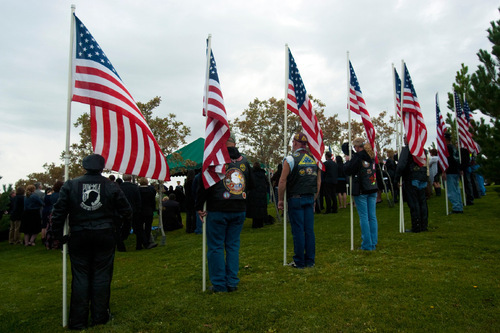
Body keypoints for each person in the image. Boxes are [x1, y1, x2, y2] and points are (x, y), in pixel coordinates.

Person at [51, 154, 132, 330]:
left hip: (80, 234)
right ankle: (99, 317)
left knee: (80, 275)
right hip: (103, 234)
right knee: (102, 275)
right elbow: (126, 211)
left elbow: (58, 212)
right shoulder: (111, 185)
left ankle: (78, 321)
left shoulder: (71, 185)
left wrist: (58, 235)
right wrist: (118, 229)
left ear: (84, 166)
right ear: (102, 167)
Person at [196, 134, 253, 292]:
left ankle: (219, 284)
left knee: (216, 247)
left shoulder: (215, 160)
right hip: (239, 207)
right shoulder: (244, 161)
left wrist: (199, 206)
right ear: (234, 142)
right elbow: (250, 184)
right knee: (233, 246)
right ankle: (232, 282)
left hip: (218, 208)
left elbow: (204, 184)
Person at [278, 132, 321, 268]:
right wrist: (314, 198)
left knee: (298, 231)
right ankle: (310, 260)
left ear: (295, 143)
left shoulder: (290, 159)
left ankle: (299, 261)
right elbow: (318, 182)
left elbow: (282, 180)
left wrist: (280, 200)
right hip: (309, 197)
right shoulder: (314, 159)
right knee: (309, 230)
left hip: (295, 198)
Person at [343, 138, 378, 251]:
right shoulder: (371, 156)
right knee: (372, 216)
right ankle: (373, 241)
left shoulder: (358, 157)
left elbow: (348, 170)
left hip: (362, 190)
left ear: (357, 147)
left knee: (364, 217)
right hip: (372, 188)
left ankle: (367, 244)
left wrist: (348, 161)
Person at [394, 138, 429, 233]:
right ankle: (424, 224)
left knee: (414, 203)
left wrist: (397, 178)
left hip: (411, 177)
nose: (404, 139)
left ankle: (416, 226)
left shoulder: (407, 149)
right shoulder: (422, 150)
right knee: (422, 202)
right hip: (422, 176)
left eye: (405, 137)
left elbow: (401, 165)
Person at [120, 174, 147, 251]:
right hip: (134, 211)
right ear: (130, 179)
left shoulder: (120, 187)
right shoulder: (135, 187)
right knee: (138, 229)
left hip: (123, 211)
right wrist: (138, 209)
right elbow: (138, 200)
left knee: (124, 229)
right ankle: (139, 246)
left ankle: (121, 245)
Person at [443, 133, 463, 214]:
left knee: (452, 191)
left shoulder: (447, 148)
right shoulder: (454, 148)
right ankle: (459, 205)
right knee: (456, 189)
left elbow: (447, 161)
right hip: (455, 171)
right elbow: (457, 160)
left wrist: (444, 171)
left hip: (450, 171)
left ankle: (456, 207)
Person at [247, 161, 270, 228]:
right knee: (261, 209)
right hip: (262, 194)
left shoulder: (252, 174)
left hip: (254, 194)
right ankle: (261, 223)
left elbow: (249, 183)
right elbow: (267, 184)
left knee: (255, 210)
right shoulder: (263, 175)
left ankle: (255, 224)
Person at [138, 178, 158, 249]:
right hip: (149, 210)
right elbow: (153, 201)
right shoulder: (151, 190)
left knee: (140, 228)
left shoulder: (138, 190)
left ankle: (140, 243)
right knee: (148, 227)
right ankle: (147, 241)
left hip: (140, 211)